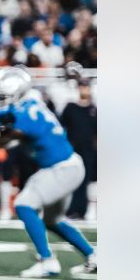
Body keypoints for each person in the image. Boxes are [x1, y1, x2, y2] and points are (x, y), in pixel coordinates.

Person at [0, 67, 96, 277]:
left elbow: (5, 137)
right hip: (67, 166)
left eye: (2, 97)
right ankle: (93, 255)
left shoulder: (23, 113)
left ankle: (47, 261)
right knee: (52, 220)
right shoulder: (31, 101)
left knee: (24, 205)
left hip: (61, 168)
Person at [60, 82, 97, 220]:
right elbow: (61, 126)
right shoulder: (71, 108)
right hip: (73, 150)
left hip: (88, 150)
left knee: (86, 179)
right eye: (82, 87)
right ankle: (69, 209)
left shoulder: (94, 109)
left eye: (86, 86)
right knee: (71, 179)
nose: (84, 89)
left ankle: (83, 210)